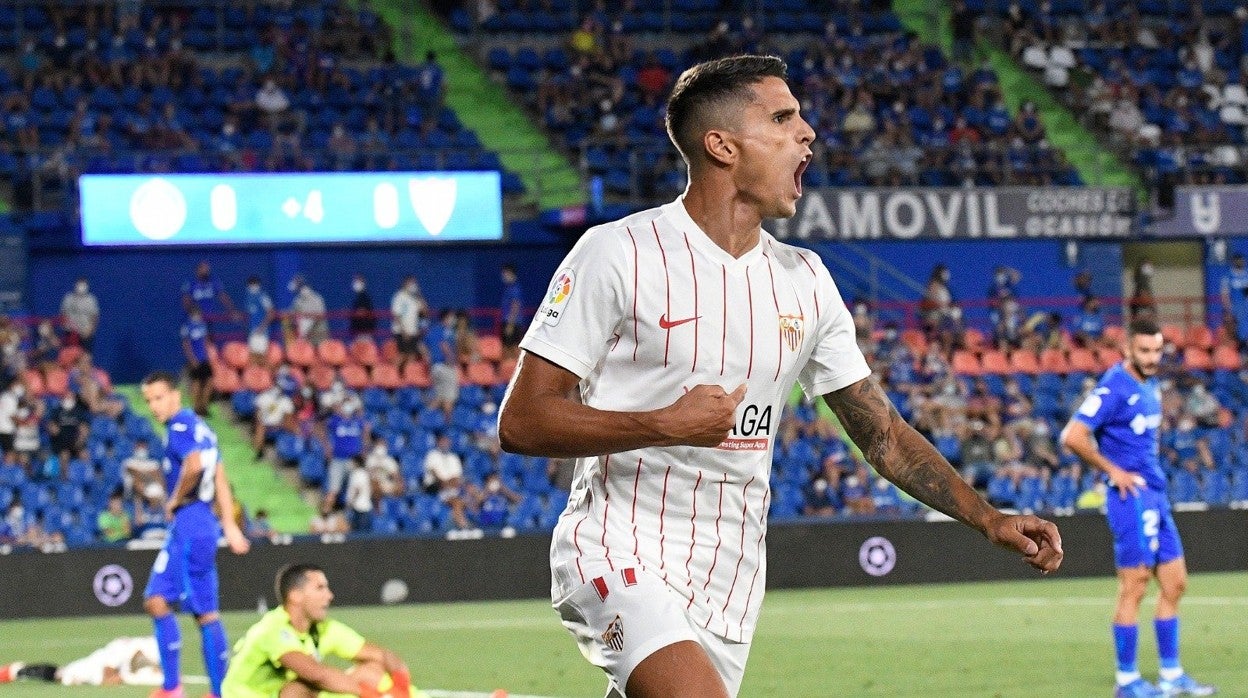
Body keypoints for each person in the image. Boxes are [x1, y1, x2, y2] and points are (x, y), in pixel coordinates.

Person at [498, 55, 1062, 698]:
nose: (808, 133)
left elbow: (883, 436)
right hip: (618, 547)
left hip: (730, 577)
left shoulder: (806, 280)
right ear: (722, 145)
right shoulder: (619, 252)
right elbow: (522, 420)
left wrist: (988, 518)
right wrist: (664, 423)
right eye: (783, 117)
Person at [1060, 319, 1216, 698]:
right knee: (1135, 585)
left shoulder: (1151, 386)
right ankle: (1127, 681)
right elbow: (1072, 436)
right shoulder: (1115, 385)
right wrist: (1115, 471)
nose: (1150, 357)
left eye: (1156, 350)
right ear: (1128, 349)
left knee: (1176, 583)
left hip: (1156, 495)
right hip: (1130, 499)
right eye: (1143, 350)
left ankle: (1170, 674)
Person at [139, 371, 250, 698]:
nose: (154, 406)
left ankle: (220, 692)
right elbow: (218, 474)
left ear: (175, 396)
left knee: (205, 612)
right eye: (148, 401)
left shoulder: (181, 427)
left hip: (193, 524)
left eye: (159, 398)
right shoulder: (200, 427)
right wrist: (228, 523)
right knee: (157, 600)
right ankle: (172, 688)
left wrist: (174, 499)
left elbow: (196, 466)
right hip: (190, 525)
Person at [222, 563, 420, 698]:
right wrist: (373, 695)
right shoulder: (272, 629)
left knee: (370, 671)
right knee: (298, 690)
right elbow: (317, 674)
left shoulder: (323, 628)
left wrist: (401, 686)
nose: (330, 595)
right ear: (296, 596)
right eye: (320, 588)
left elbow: (382, 655)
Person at [0, 636, 163, 686]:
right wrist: (112, 676)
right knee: (62, 675)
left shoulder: (155, 646)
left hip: (108, 665)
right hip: (96, 665)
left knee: (63, 675)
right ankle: (14, 671)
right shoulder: (148, 646)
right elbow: (110, 671)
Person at [181, 307, 213, 417]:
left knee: (209, 382)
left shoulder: (203, 325)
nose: (198, 316)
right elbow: (186, 345)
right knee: (197, 383)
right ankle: (195, 407)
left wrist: (209, 356)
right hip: (195, 360)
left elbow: (206, 342)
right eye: (196, 314)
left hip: (204, 359)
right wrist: (192, 359)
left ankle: (203, 406)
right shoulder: (187, 327)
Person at [390, 275, 426, 369]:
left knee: (412, 355)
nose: (413, 285)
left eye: (414, 283)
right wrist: (403, 331)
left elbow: (424, 310)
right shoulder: (399, 296)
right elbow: (396, 315)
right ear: (405, 283)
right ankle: (393, 372)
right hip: (401, 331)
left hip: (413, 331)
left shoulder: (414, 298)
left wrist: (419, 295)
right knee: (402, 354)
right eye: (411, 283)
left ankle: (406, 375)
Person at [60, 277, 100, 351]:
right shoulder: (68, 298)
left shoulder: (91, 300)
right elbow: (63, 314)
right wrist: (68, 327)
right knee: (70, 356)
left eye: (83, 284)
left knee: (85, 356)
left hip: (85, 333)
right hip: (70, 333)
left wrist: (90, 331)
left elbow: (95, 316)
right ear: (75, 285)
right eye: (79, 284)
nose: (81, 287)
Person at [243, 276, 276, 363]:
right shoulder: (248, 297)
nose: (252, 287)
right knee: (252, 357)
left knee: (262, 358)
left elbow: (271, 313)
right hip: (252, 331)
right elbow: (249, 314)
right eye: (250, 284)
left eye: (254, 284)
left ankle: (265, 376)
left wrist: (262, 327)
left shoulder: (263, 296)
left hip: (262, 332)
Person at [1220, 252, 1248, 349]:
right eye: (1238, 260)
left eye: (1242, 260)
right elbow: (1225, 294)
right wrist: (1228, 309)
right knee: (1241, 329)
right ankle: (1242, 351)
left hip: (1246, 306)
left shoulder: (1247, 274)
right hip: (1236, 307)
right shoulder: (1228, 276)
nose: (1241, 262)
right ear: (1234, 262)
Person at [499, 263, 524, 359]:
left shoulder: (515, 288)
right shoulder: (508, 288)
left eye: (504, 273)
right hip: (507, 322)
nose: (503, 276)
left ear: (510, 273)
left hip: (513, 323)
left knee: (513, 348)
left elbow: (515, 306)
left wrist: (510, 324)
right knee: (505, 347)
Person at [349, 274, 378, 340]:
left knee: (366, 347)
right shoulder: (358, 297)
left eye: (358, 281)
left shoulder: (365, 298)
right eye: (355, 281)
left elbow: (363, 312)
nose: (356, 283)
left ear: (363, 283)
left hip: (364, 330)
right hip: (359, 331)